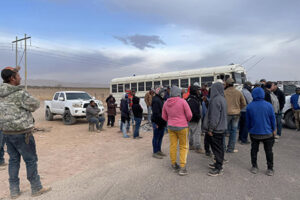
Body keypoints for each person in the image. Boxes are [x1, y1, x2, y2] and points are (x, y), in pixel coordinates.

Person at [0, 66, 51, 198]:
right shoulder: (20, 93)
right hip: (23, 133)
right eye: (18, 75)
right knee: (31, 160)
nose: (20, 77)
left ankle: (14, 191)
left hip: (6, 133)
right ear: (12, 79)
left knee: (13, 161)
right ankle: (36, 188)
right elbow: (35, 105)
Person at [162, 86, 192, 176]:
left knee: (173, 145)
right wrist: (186, 121)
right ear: (179, 93)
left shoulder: (166, 102)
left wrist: (170, 120)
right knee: (183, 146)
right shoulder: (183, 101)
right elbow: (189, 115)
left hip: (171, 127)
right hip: (182, 127)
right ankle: (182, 168)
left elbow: (163, 116)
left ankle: (174, 164)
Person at [246, 87, 276, 176]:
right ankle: (270, 168)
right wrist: (273, 129)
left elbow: (248, 121)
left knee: (254, 150)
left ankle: (254, 166)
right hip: (268, 133)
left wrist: (249, 130)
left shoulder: (249, 106)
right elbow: (272, 120)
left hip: (254, 133)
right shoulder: (269, 105)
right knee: (269, 151)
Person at [202, 82, 227, 176]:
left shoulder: (216, 100)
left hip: (216, 129)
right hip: (221, 127)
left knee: (217, 148)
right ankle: (218, 163)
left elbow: (214, 117)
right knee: (219, 147)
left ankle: (218, 168)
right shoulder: (222, 99)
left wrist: (210, 129)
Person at [224, 78, 246, 153]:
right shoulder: (238, 92)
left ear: (226, 84)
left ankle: (223, 148)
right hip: (236, 113)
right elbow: (244, 103)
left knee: (223, 131)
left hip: (226, 113)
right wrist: (238, 108)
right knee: (233, 131)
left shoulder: (224, 92)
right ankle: (231, 148)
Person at [187, 85, 204, 153]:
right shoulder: (193, 100)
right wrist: (198, 117)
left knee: (191, 132)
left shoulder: (189, 98)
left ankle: (191, 145)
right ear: (194, 91)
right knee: (197, 133)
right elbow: (194, 111)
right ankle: (198, 147)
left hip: (190, 119)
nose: (199, 91)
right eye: (197, 90)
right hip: (195, 119)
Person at [151, 87, 167, 159]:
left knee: (160, 137)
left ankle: (159, 150)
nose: (164, 93)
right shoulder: (156, 100)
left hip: (162, 122)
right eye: (163, 92)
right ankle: (155, 152)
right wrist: (158, 123)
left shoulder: (160, 99)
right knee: (156, 137)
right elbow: (156, 113)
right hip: (157, 122)